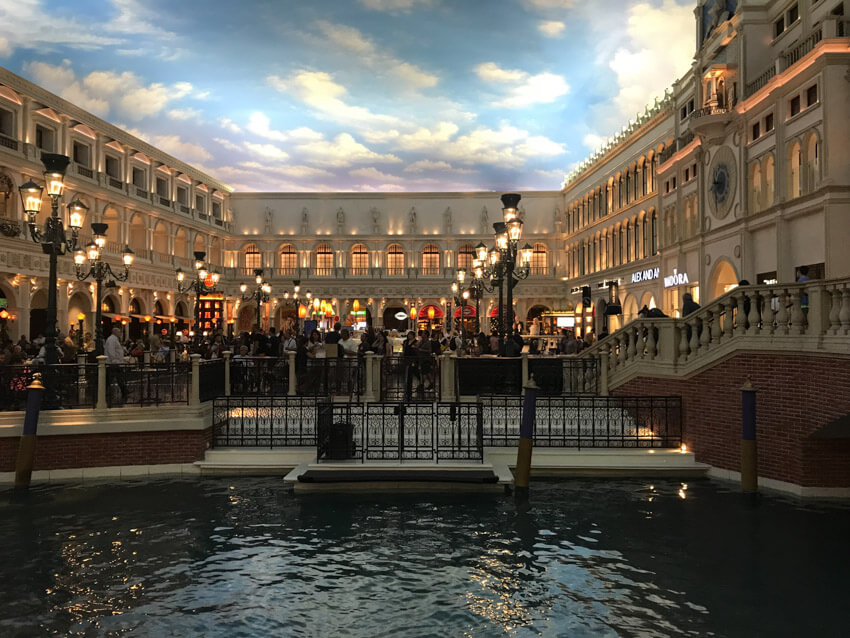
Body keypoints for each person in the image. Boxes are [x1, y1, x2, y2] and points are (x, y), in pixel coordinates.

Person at [104, 327, 127, 405]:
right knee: (116, 377)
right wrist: (114, 360)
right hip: (113, 363)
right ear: (115, 332)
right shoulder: (112, 340)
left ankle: (123, 390)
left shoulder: (114, 339)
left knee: (115, 378)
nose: (120, 333)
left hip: (116, 362)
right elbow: (111, 350)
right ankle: (123, 391)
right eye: (119, 332)